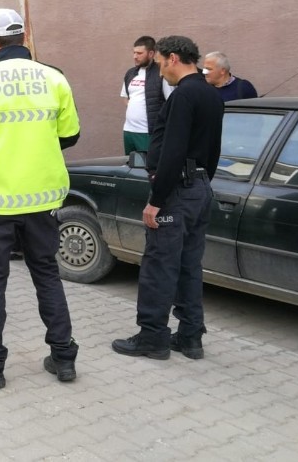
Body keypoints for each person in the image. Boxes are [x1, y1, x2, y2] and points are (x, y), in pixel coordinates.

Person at [0, 8, 81, 389]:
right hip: (43, 199)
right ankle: (63, 357)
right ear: (24, 38)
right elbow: (70, 136)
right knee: (47, 275)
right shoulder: (54, 78)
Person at [112, 35, 224, 361]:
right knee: (189, 265)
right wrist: (201, 183)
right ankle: (190, 337)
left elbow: (172, 150)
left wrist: (156, 200)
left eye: (160, 64)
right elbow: (214, 149)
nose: (161, 72)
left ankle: (152, 337)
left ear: (173, 58)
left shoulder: (183, 95)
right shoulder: (210, 94)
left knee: (159, 265)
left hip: (177, 191)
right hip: (200, 187)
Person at [122, 36, 175, 154]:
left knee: (147, 167)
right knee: (129, 165)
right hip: (129, 131)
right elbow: (125, 97)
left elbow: (171, 101)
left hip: (149, 132)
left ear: (151, 53)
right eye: (134, 52)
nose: (135, 56)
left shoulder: (161, 73)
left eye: (139, 53)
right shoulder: (131, 73)